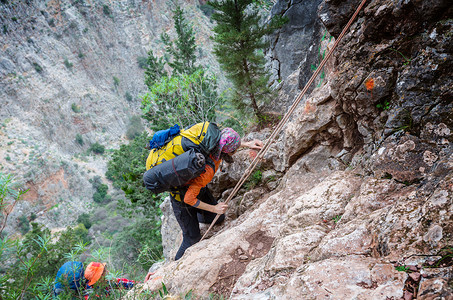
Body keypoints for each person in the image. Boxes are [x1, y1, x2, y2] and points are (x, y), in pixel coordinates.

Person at [144, 126, 262, 282]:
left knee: (217, 218)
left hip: (196, 187)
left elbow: (225, 141)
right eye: (233, 150)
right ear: (226, 151)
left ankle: (198, 213)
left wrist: (247, 144)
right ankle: (168, 275)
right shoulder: (206, 168)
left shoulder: (209, 139)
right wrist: (214, 207)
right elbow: (188, 199)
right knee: (192, 239)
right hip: (182, 199)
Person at [53, 261, 135, 298]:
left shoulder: (104, 282)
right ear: (97, 278)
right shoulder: (90, 294)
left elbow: (120, 282)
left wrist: (139, 285)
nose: (105, 273)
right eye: (102, 272)